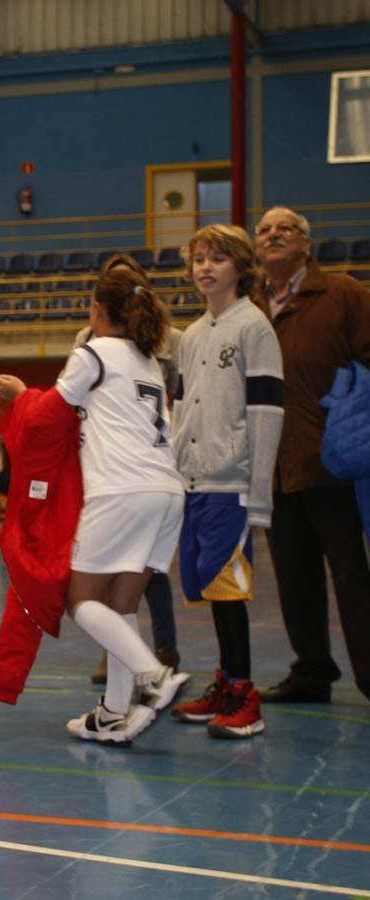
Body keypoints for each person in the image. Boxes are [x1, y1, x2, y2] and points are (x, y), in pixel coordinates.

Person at [0, 265, 190, 744]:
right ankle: (112, 712)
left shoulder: (94, 353)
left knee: (82, 602)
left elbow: (45, 419)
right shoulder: (147, 359)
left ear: (98, 310)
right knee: (119, 605)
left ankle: (154, 676)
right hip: (167, 492)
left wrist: (19, 397)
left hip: (122, 489)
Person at [167, 224, 284, 738]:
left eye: (217, 258)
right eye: (199, 259)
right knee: (212, 589)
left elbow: (265, 412)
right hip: (196, 484)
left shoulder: (254, 327)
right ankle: (224, 683)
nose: (206, 268)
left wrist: (257, 493)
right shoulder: (191, 335)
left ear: (240, 266)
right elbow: (179, 411)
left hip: (233, 485)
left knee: (230, 589)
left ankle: (245, 696)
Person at [254, 206, 370, 703]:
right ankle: (312, 672)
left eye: (286, 229)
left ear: (306, 245)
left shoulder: (342, 292)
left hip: (333, 461)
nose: (273, 235)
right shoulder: (248, 306)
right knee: (294, 575)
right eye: (264, 230)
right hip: (275, 468)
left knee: (351, 575)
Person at [77, 254, 182, 682]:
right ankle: (120, 692)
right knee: (124, 591)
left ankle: (157, 662)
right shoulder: (93, 340)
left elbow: (64, 402)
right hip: (153, 478)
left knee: (87, 596)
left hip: (126, 478)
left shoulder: (159, 341)